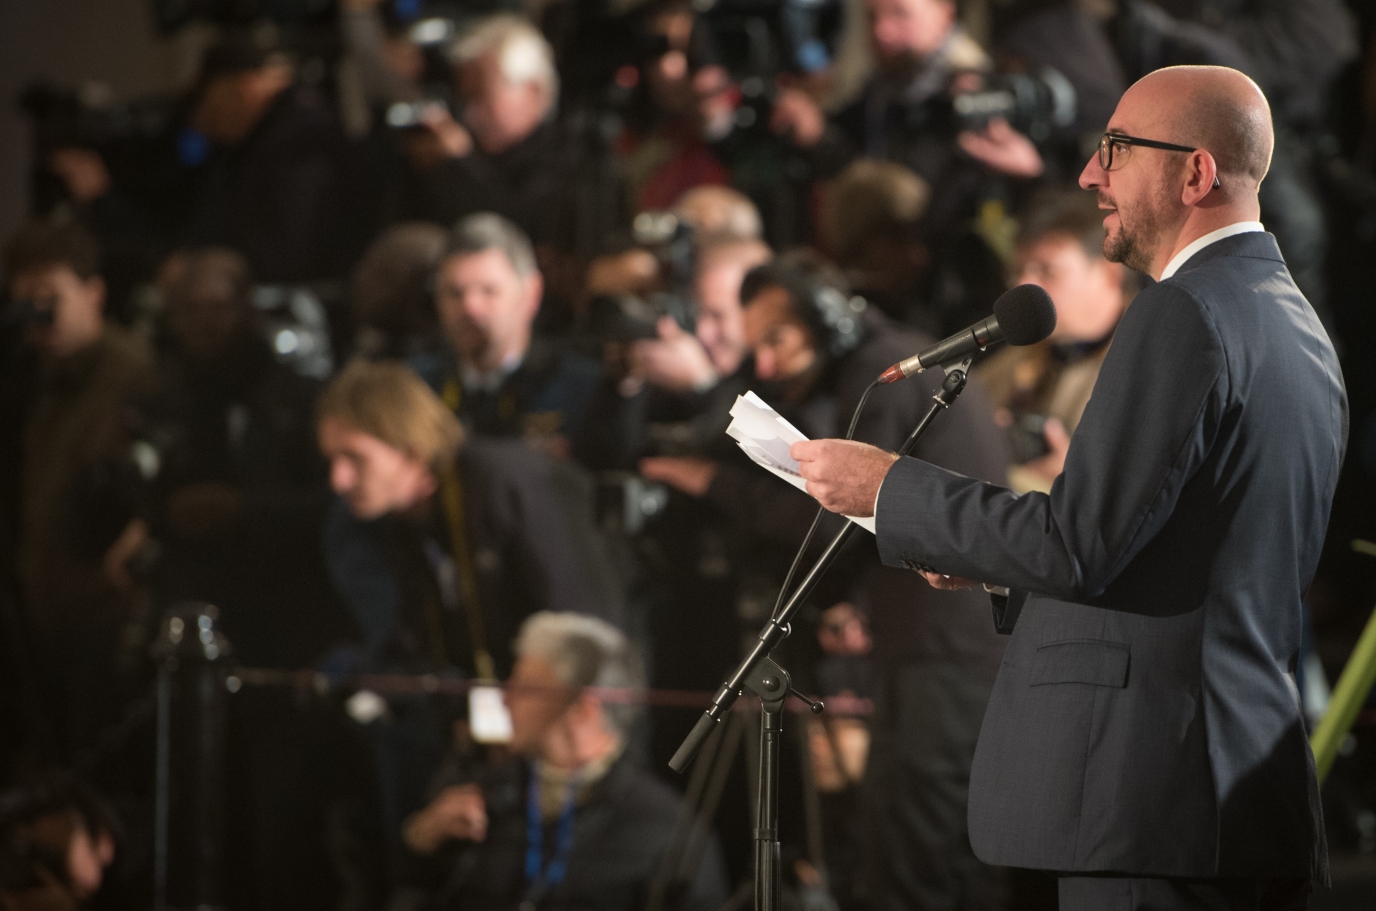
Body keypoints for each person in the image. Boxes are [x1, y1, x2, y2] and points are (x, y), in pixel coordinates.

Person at [790, 65, 1344, 910]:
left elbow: (1079, 544)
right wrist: (992, 562)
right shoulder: (1294, 322)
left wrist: (891, 489)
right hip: (1229, 792)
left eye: (1116, 149)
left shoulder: (1183, 312)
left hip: (1154, 798)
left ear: (1195, 173)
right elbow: (1174, 550)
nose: (1090, 173)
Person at [643, 252, 1010, 911]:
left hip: (945, 658)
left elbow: (837, 511)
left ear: (830, 319)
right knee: (903, 840)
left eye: (777, 338)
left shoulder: (893, 374)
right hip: (932, 653)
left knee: (925, 851)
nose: (767, 365)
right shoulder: (894, 364)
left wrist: (715, 482)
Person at [317, 360, 625, 868]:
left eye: (354, 457)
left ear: (410, 447)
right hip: (509, 737)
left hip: (586, 737)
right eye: (332, 460)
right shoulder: (401, 525)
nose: (338, 480)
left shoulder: (506, 481)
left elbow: (590, 633)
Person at [396, 611, 729, 911]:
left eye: (526, 687)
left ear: (582, 709)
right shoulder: (483, 794)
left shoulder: (665, 832)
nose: (506, 697)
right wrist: (421, 841)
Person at [3, 219, 154, 765]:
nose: (41, 316)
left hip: (105, 616)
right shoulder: (33, 379)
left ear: (94, 293)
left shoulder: (135, 376)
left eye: (52, 298)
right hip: (44, 612)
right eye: (27, 302)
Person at [768, 0, 1045, 242]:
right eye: (872, 16)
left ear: (945, 14)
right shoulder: (883, 87)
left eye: (901, 14)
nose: (882, 31)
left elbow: (906, 203)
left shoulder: (977, 98)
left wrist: (821, 141)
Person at [395, 14, 628, 262]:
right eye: (465, 98)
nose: (471, 113)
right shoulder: (466, 151)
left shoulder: (579, 155)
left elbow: (524, 230)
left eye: (481, 95)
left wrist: (461, 166)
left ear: (532, 90)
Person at [976, 190, 1134, 493]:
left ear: (1109, 274)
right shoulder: (1019, 356)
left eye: (1048, 271)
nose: (1023, 285)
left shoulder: (1147, 362)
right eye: (1019, 270)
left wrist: (1083, 481)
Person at [410, 214, 605, 457]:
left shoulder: (582, 389)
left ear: (531, 294)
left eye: (489, 291)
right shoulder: (415, 390)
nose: (470, 308)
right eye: (454, 293)